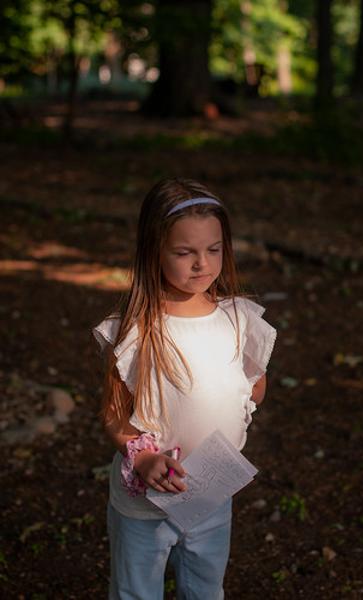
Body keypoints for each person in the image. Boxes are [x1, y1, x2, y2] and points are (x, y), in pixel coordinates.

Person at [92, 177, 277, 600]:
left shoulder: (239, 320)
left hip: (211, 492)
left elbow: (253, 390)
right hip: (146, 504)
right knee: (137, 591)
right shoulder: (136, 330)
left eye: (214, 249)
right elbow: (115, 412)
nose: (202, 264)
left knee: (205, 586)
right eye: (184, 252)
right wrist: (143, 459)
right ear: (153, 251)